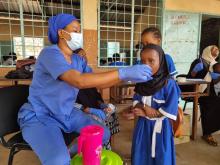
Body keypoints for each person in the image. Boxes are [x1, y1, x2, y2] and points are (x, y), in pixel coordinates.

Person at [17, 13, 152, 165]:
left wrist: (127, 76)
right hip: (40, 115)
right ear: (62, 33)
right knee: (58, 160)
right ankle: (64, 156)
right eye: (75, 30)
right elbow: (78, 81)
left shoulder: (77, 60)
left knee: (102, 133)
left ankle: (70, 152)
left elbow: (98, 83)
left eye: (79, 31)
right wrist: (124, 72)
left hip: (65, 113)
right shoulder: (50, 54)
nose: (79, 35)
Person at [131, 44, 180, 165]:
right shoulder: (142, 81)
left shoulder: (169, 84)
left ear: (161, 61)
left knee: (161, 156)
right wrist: (143, 107)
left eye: (151, 61)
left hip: (161, 129)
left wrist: (148, 112)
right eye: (143, 61)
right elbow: (136, 100)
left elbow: (170, 109)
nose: (146, 65)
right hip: (143, 127)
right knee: (141, 154)